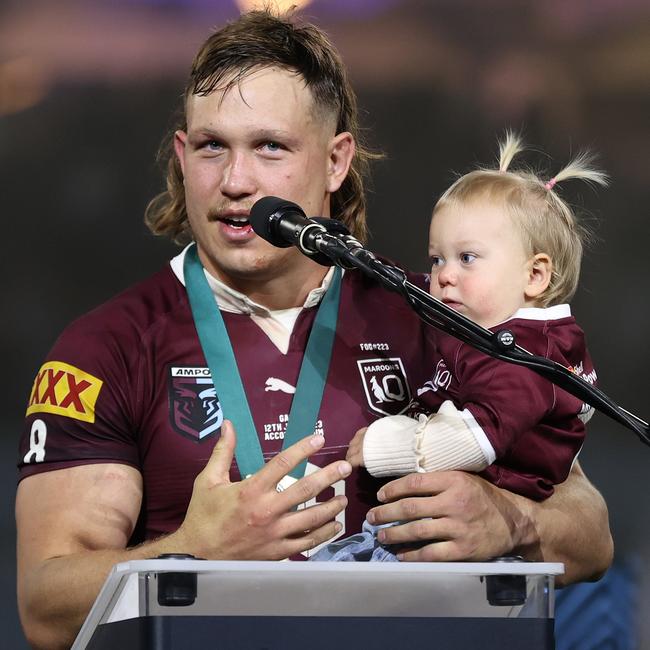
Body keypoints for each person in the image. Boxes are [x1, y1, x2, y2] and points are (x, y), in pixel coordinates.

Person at [15, 10, 612, 650]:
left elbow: (591, 532)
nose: (237, 182)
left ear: (335, 161)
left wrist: (511, 521)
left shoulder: (435, 315)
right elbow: (46, 606)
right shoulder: (108, 346)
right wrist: (194, 550)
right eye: (213, 146)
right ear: (184, 158)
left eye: (270, 147)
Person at [313, 134, 607, 561]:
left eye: (467, 258)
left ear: (535, 276)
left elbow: (473, 440)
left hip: (472, 544)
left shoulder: (529, 357)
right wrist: (361, 261)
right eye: (438, 259)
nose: (444, 275)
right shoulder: (487, 323)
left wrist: (385, 444)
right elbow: (410, 289)